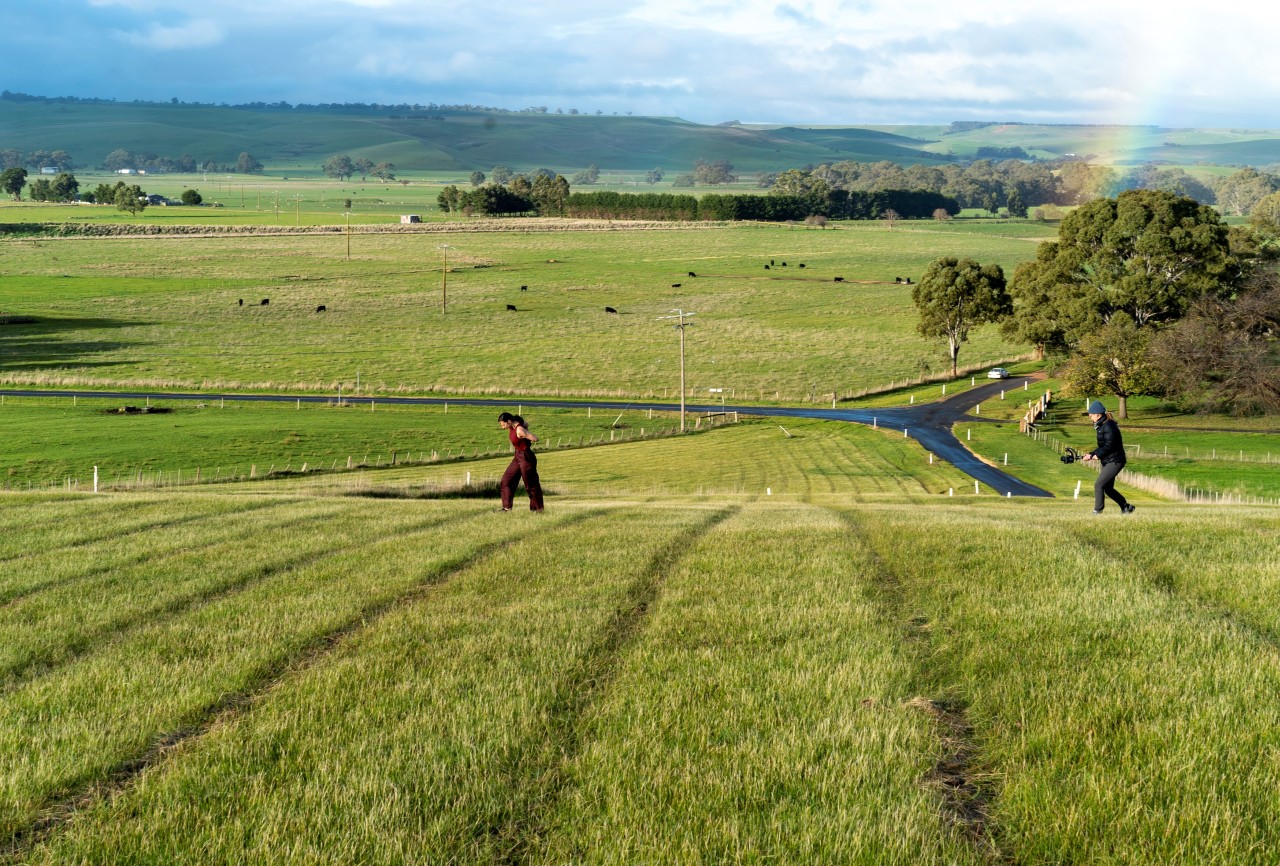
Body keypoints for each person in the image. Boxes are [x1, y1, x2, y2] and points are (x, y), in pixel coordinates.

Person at [1081, 400, 1135, 515]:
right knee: (1108, 489)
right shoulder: (1102, 425)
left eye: (1091, 415)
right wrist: (1091, 454)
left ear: (1097, 414)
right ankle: (1126, 507)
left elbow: (1109, 445)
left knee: (1099, 485)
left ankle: (1097, 510)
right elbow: (1103, 446)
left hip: (1115, 461)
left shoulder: (1109, 426)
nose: (1090, 418)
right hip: (1109, 460)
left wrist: (1097, 455)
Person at [498, 412, 544, 512]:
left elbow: (535, 439)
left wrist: (525, 434)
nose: (503, 427)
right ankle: (506, 508)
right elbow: (526, 423)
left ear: (509, 422)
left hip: (526, 457)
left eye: (503, 424)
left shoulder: (519, 429)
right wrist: (524, 427)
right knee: (506, 481)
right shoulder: (512, 426)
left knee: (530, 485)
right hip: (517, 456)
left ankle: (538, 509)